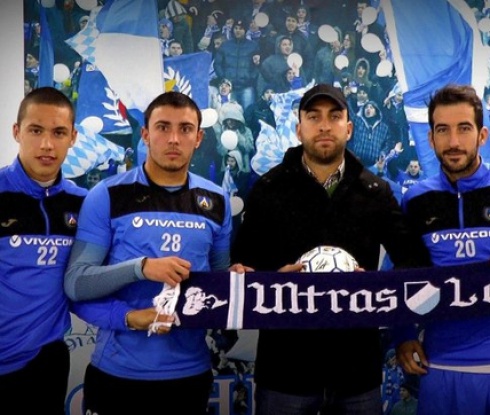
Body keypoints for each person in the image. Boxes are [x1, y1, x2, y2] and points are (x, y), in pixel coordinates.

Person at [231, 84, 430, 414]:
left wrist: (375, 288)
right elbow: (242, 264)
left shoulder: (375, 191)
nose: (324, 126)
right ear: (299, 129)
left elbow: (413, 261)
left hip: (356, 372)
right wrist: (274, 280)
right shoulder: (268, 189)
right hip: (285, 371)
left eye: (334, 117)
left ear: (348, 128)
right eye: (314, 117)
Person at [64, 91, 233, 414]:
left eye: (185, 129)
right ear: (145, 134)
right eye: (163, 127)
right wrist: (140, 269)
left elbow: (220, 283)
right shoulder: (108, 195)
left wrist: (244, 283)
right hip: (117, 375)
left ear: (198, 138)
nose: (174, 138)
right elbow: (76, 284)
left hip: (190, 374)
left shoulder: (216, 200)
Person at [395, 84, 490, 415]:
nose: (453, 142)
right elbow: (402, 275)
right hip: (439, 364)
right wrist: (403, 336)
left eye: (464, 128)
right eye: (442, 130)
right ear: (431, 138)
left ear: (482, 135)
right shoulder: (415, 200)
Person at [0, 87, 86, 414]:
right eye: (36, 131)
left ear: (73, 137)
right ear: (17, 132)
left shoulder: (84, 203)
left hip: (45, 360)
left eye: (58, 132)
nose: (47, 144)